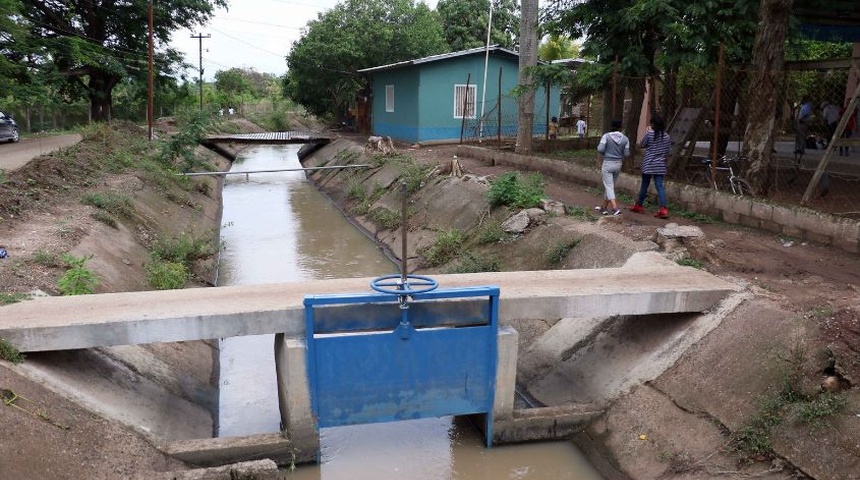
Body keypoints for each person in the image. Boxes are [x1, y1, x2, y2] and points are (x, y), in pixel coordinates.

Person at [630, 114, 671, 219]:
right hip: (660, 165)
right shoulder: (666, 136)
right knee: (659, 186)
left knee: (644, 185)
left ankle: (638, 205)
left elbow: (642, 144)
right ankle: (663, 209)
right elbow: (668, 150)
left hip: (648, 163)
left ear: (653, 124)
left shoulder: (649, 133)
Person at [595, 119, 630, 216]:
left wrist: (605, 153)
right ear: (621, 127)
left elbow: (600, 149)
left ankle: (615, 208)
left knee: (609, 186)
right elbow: (627, 154)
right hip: (618, 164)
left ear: (611, 126)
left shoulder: (606, 136)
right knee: (610, 186)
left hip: (607, 163)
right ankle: (604, 208)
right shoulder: (625, 139)